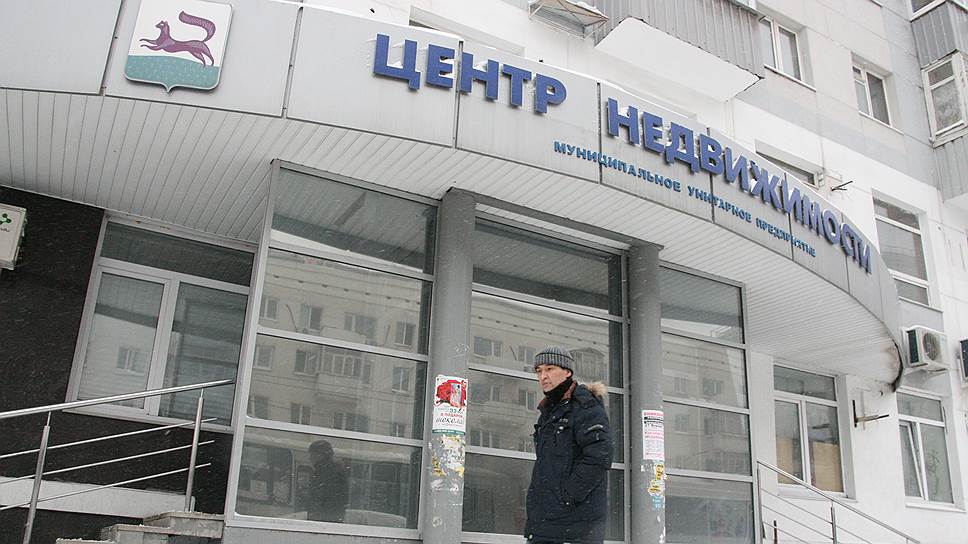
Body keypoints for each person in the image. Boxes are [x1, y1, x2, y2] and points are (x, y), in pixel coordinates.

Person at [525, 346, 612, 544]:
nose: (543, 376)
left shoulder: (586, 406)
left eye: (549, 369)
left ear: (567, 372)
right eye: (539, 371)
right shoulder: (549, 411)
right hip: (545, 521)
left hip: (576, 525)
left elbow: (600, 456)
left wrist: (568, 496)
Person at [306, 439, 350, 522]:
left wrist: (316, 514)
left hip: (324, 520)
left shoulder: (326, 473)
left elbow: (324, 498)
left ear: (320, 455)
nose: (310, 458)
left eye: (312, 454)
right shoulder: (331, 471)